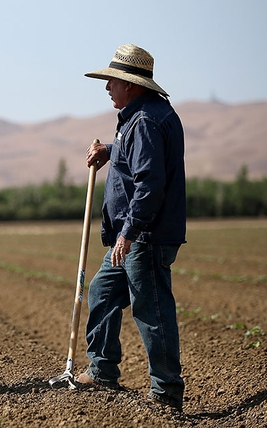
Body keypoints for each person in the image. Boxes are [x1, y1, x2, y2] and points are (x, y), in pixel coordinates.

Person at [76, 44, 186, 411]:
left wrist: (128, 231)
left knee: (151, 312)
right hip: (134, 235)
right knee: (103, 293)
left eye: (112, 81)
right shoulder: (139, 118)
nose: (107, 87)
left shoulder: (147, 121)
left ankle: (166, 391)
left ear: (132, 85)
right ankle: (103, 370)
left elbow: (150, 183)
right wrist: (110, 150)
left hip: (143, 236)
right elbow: (137, 159)